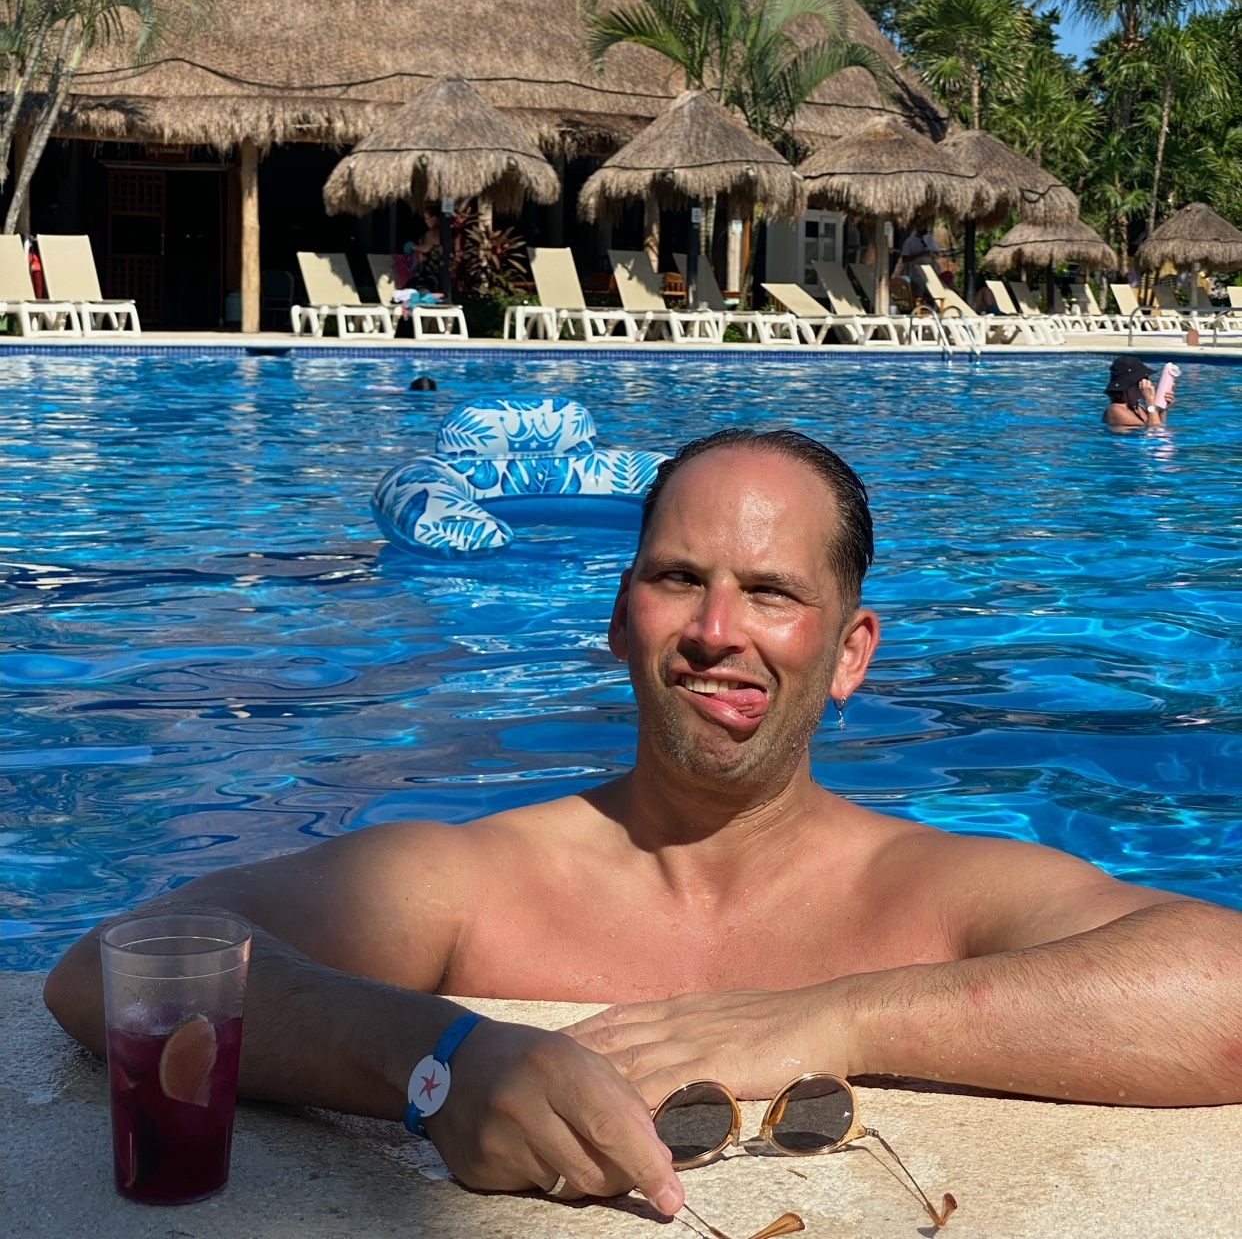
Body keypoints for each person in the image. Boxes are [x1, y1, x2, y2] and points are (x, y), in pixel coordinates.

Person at [44, 431, 1241, 1215]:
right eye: (678, 579)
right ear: (621, 619)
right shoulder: (477, 880)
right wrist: (438, 1061)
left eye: (772, 592)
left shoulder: (933, 893)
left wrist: (841, 1014)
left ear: (849, 654)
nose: (718, 628)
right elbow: (112, 965)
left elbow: (1221, 984)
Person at [1102, 354, 1174, 431]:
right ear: (1127, 385)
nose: (1147, 384)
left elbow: (1159, 425)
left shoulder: (1137, 406)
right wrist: (1150, 402)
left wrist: (1163, 408)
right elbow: (1155, 430)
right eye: (1141, 380)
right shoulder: (1115, 410)